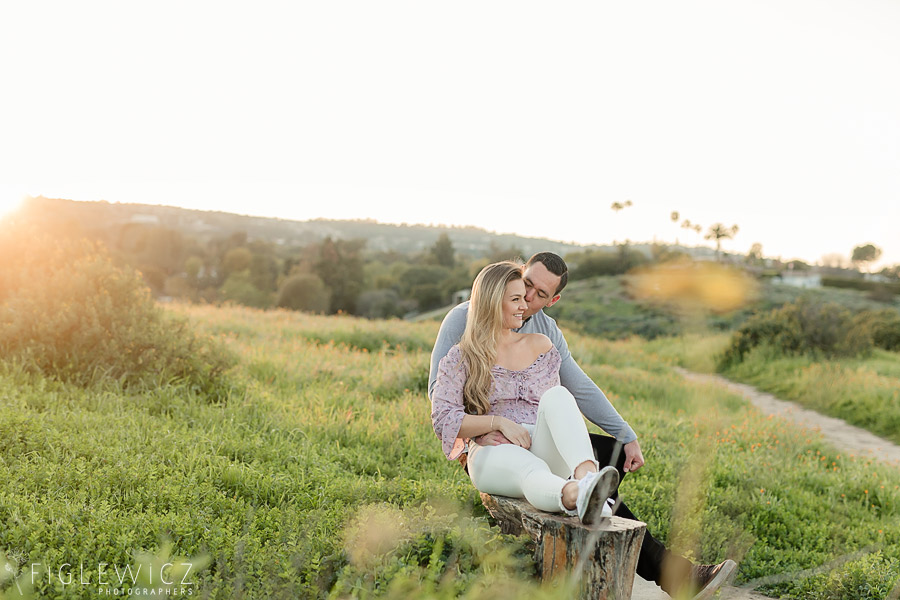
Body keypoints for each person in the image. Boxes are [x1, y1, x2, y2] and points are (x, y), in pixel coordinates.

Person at [429, 252, 737, 600]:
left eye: (539, 294)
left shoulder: (544, 332)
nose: (528, 299)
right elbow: (440, 400)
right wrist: (488, 426)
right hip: (487, 445)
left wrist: (626, 435)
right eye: (524, 286)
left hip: (534, 437)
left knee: (606, 450)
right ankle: (671, 571)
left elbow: (576, 389)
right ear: (511, 282)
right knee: (580, 461)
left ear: (553, 299)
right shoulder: (463, 322)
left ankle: (590, 485)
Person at [431, 261, 620, 524]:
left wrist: (624, 433)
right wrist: (497, 424)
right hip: (492, 450)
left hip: (539, 442)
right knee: (530, 469)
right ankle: (575, 495)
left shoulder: (541, 345)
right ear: (493, 302)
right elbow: (443, 419)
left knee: (559, 396)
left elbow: (562, 409)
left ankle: (587, 478)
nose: (525, 305)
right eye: (516, 299)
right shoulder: (462, 356)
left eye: (525, 297)